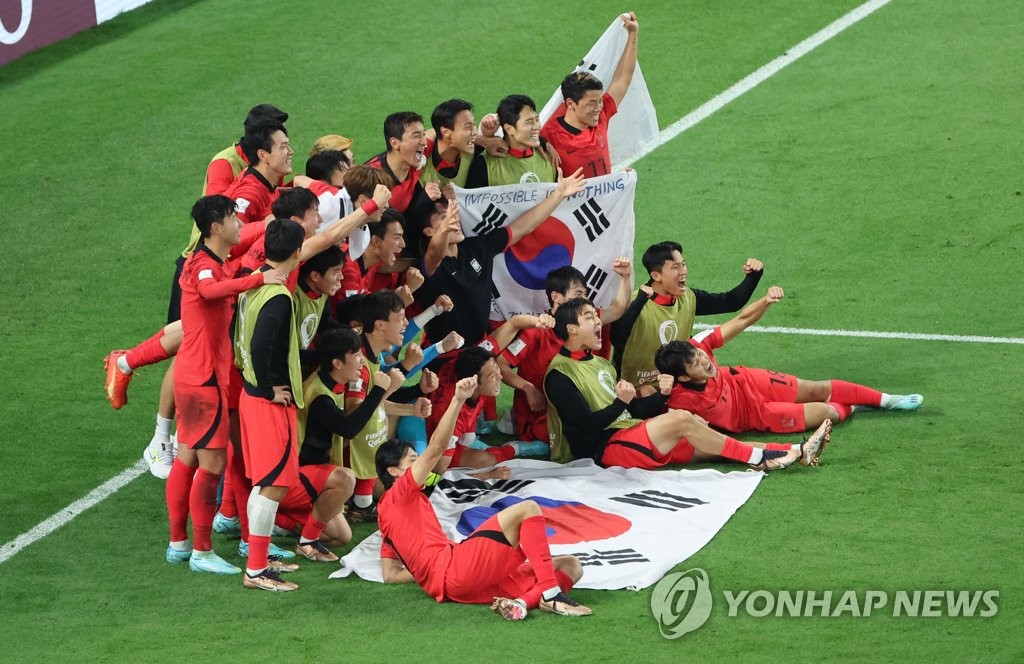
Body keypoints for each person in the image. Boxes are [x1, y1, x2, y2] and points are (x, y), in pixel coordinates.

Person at [375, 375, 592, 619]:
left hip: (460, 586)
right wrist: (457, 400)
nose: (419, 465)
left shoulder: (387, 518)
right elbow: (436, 447)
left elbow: (390, 574)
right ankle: (552, 595)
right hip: (456, 568)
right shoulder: (399, 492)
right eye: (413, 461)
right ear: (393, 471)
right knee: (528, 509)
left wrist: (427, 573)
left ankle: (523, 602)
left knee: (571, 565)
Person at [545, 298, 832, 471]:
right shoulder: (559, 376)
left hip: (629, 434)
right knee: (683, 420)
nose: (598, 321)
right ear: (571, 329)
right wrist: (622, 402)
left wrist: (662, 395)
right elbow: (586, 426)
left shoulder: (598, 363)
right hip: (603, 449)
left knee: (712, 443)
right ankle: (759, 459)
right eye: (589, 317)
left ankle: (796, 450)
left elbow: (635, 411)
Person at [164, 195, 286, 575]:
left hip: (196, 376)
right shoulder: (202, 266)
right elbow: (209, 291)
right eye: (233, 218)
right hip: (202, 380)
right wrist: (258, 279)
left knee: (187, 457)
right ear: (216, 227)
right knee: (215, 462)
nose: (238, 223)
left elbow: (224, 274)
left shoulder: (213, 261)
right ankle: (201, 550)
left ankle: (180, 544)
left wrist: (263, 231)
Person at [654, 286, 923, 434]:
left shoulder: (697, 345)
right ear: (685, 377)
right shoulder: (677, 400)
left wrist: (765, 301)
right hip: (755, 416)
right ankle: (853, 407)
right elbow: (660, 417)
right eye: (697, 364)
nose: (705, 361)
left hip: (748, 381)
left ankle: (888, 400)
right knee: (826, 412)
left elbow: (741, 320)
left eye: (701, 356)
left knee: (816, 389)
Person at [414, 168, 587, 350]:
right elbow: (434, 253)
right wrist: (444, 229)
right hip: (444, 356)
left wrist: (559, 194)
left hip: (481, 347)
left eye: (453, 214)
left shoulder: (476, 248)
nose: (454, 220)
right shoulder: (428, 265)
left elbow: (522, 228)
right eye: (445, 217)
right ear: (429, 231)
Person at [234, 218, 308, 592]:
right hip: (265, 402)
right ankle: (257, 571)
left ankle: (258, 557)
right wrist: (268, 391)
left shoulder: (256, 281)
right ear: (296, 254)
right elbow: (262, 344)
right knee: (273, 486)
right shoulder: (278, 296)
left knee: (264, 483)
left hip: (249, 395)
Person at [497, 261, 632, 448]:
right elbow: (499, 364)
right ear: (556, 297)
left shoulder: (586, 320)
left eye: (586, 294)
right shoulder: (536, 331)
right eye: (578, 294)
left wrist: (625, 278)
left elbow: (618, 309)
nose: (584, 300)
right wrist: (527, 388)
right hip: (541, 416)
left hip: (578, 409)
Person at [611, 240, 763, 392]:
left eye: (683, 264)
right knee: (647, 392)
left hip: (677, 385)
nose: (683, 271)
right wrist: (639, 302)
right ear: (656, 275)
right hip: (633, 390)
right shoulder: (634, 303)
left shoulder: (688, 298)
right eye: (675, 267)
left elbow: (730, 302)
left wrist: (753, 277)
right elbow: (616, 338)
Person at [344, 290, 434, 521]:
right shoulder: (359, 362)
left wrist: (410, 410)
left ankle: (361, 499)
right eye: (401, 318)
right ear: (380, 325)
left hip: (363, 456)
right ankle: (357, 501)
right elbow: (353, 416)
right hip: (348, 459)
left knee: (414, 488)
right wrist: (390, 387)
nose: (406, 324)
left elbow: (374, 405)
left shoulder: (372, 356)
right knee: (404, 494)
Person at [540, 12, 638, 177]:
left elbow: (623, 78)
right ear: (571, 104)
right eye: (591, 103)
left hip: (604, 201)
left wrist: (633, 35)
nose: (599, 108)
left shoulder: (601, 115)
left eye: (599, 101)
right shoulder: (549, 135)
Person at [465, 95, 556, 188]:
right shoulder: (484, 165)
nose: (537, 126)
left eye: (537, 119)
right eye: (529, 122)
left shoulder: (549, 158)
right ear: (509, 129)